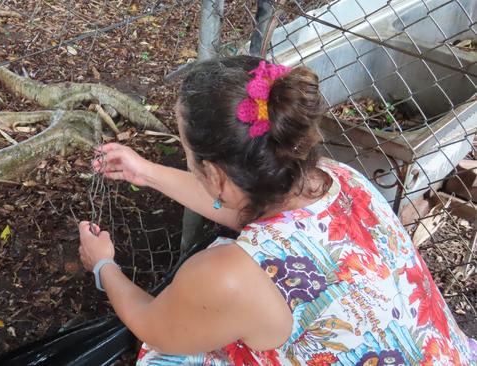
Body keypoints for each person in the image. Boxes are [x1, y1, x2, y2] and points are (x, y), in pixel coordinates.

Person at [77, 56, 477, 365]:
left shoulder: (229, 277)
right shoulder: (336, 177)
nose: (186, 159)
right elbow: (246, 209)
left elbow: (155, 326)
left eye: (186, 150)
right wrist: (144, 172)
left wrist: (103, 267)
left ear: (215, 175)